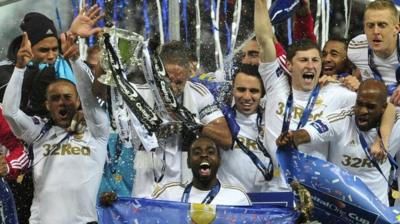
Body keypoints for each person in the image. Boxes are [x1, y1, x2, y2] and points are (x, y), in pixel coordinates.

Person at [3, 5, 108, 223]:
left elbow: (91, 100)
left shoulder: (96, 133)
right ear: (46, 105)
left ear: (78, 101)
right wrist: (21, 68)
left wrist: (75, 59)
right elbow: (11, 111)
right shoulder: (39, 132)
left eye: (68, 97)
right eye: (55, 98)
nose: (63, 103)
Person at [254, 0, 356, 191]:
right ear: (290, 65)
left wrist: (359, 86)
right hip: (275, 189)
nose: (310, 65)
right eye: (303, 60)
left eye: (315, 60)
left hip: (318, 192)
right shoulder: (276, 84)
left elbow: (379, 104)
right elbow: (265, 38)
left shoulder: (339, 93)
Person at [132, 40, 232, 198]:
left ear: (187, 75)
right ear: (156, 74)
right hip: (145, 189)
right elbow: (99, 94)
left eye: (179, 82)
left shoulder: (199, 94)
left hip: (182, 190)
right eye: (167, 81)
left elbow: (226, 139)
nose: (172, 87)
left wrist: (192, 125)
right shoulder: (139, 94)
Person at [276, 79, 396, 205]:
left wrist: (382, 139)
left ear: (383, 108)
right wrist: (293, 137)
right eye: (359, 104)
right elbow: (311, 132)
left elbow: (392, 107)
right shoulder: (342, 118)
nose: (362, 111)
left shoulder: (395, 124)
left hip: (378, 210)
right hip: (340, 207)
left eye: (370, 107)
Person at [152, 136, 251, 206]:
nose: (204, 155)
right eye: (197, 152)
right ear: (188, 163)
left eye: (210, 152)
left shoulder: (237, 198)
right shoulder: (168, 195)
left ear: (219, 161)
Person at [218, 63, 271, 193]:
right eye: (241, 89)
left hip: (267, 203)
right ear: (232, 90)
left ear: (262, 93)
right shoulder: (220, 121)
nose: (247, 97)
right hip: (231, 203)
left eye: (254, 91)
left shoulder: (273, 121)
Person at [347, 0, 400, 102]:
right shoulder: (355, 47)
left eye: (382, 25)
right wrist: (346, 79)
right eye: (370, 25)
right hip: (372, 107)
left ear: (396, 28)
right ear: (364, 28)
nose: (375, 31)